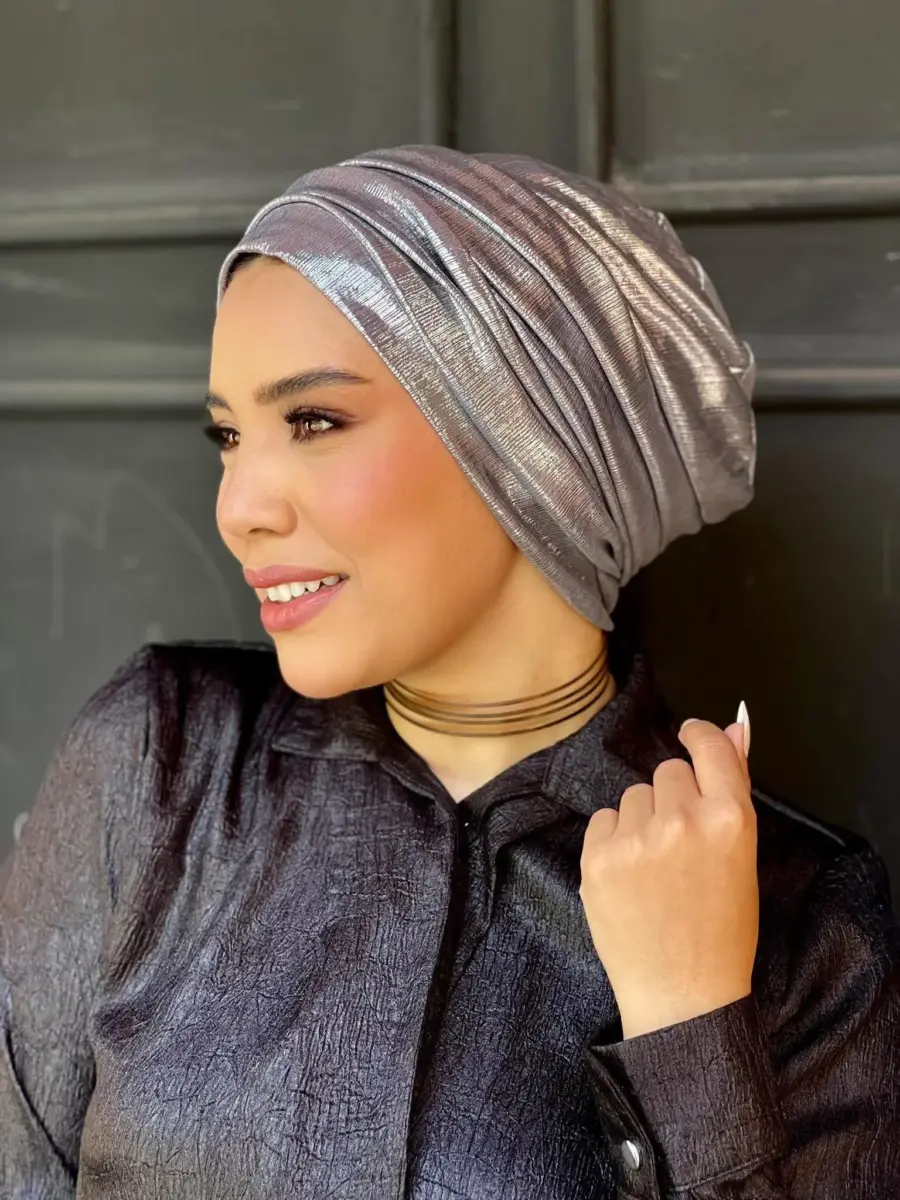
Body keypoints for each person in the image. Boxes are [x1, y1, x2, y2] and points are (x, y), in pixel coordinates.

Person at [1, 146, 897, 1199]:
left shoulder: (804, 921)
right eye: (230, 436)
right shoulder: (161, 760)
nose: (239, 507)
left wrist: (689, 1025)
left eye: (314, 422)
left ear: (529, 449)